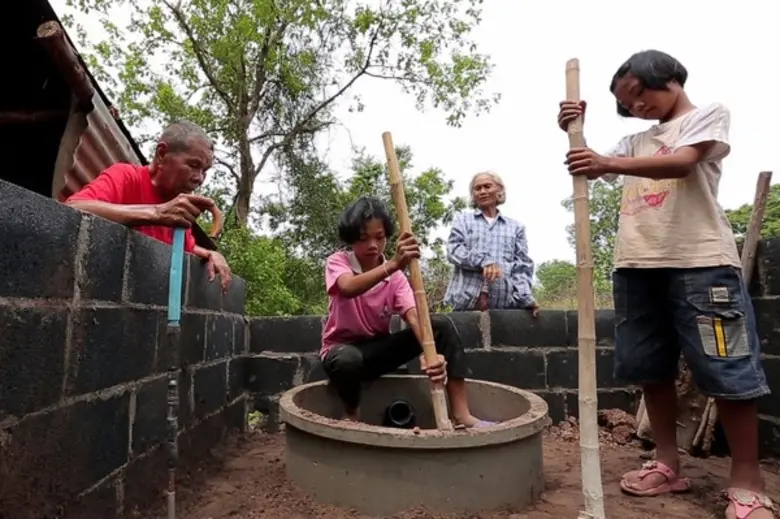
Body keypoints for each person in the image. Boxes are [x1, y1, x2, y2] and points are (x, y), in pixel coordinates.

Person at [557, 50, 772, 518]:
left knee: (728, 368)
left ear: (670, 77)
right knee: (649, 368)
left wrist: (605, 162)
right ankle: (666, 463)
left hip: (701, 264)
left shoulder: (707, 117)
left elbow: (682, 163)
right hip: (637, 265)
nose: (637, 107)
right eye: (627, 105)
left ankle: (748, 479)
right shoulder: (635, 141)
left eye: (640, 94)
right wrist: (574, 130)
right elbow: (594, 160)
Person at [320, 196, 493, 428]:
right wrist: (392, 264)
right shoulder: (339, 262)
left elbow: (413, 316)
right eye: (363, 239)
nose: (373, 245)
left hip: (378, 352)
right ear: (351, 239)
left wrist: (431, 355)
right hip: (342, 354)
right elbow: (348, 287)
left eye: (379, 237)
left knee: (439, 325)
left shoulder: (397, 279)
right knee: (347, 359)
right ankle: (352, 412)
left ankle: (462, 413)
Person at [65, 120, 232, 291]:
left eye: (205, 170)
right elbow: (73, 208)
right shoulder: (126, 177)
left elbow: (186, 248)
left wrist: (211, 253)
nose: (199, 178)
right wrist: (157, 213)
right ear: (162, 154)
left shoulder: (181, 210)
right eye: (193, 165)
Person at [444, 171, 539, 316]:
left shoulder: (515, 227)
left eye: (487, 186)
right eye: (477, 188)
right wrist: (484, 261)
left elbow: (522, 266)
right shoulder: (463, 220)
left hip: (502, 306)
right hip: (464, 305)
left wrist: (525, 298)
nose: (482, 191)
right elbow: (454, 250)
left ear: (499, 191)